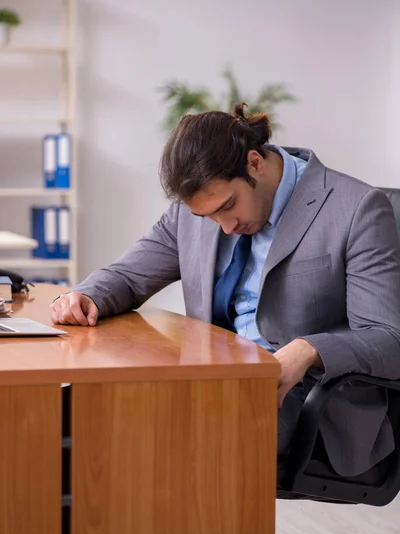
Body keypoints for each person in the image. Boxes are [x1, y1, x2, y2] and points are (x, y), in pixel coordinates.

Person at [50, 103, 400, 480]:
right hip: (213, 379)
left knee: (169, 437)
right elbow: (129, 275)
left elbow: (387, 338)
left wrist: (309, 349)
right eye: (210, 217)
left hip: (300, 395)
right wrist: (86, 296)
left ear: (255, 162)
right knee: (82, 412)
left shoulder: (356, 209)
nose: (226, 227)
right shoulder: (197, 212)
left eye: (228, 206)